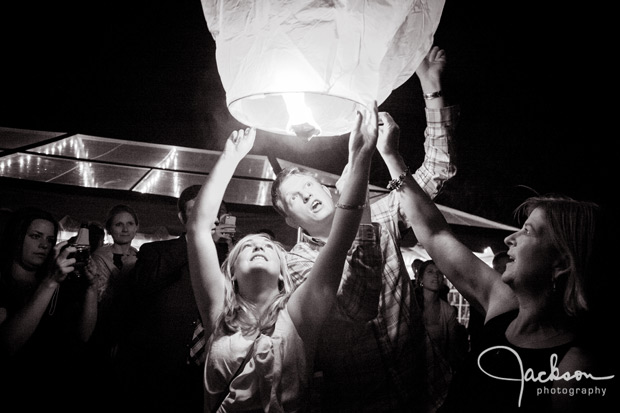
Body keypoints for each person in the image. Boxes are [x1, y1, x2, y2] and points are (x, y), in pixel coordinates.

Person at [270, 45, 457, 411]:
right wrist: (360, 179)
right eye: (295, 197)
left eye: (309, 184)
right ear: (291, 220)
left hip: (428, 388)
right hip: (364, 402)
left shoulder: (384, 212)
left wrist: (431, 91)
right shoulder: (295, 264)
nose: (308, 193)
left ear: (325, 186)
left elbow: (437, 170)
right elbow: (357, 304)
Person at [187, 103, 380, 411]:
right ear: (232, 273)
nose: (258, 246)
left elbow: (339, 241)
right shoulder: (217, 312)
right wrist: (230, 158)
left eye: (266, 245)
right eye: (247, 247)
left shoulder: (300, 316)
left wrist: (361, 158)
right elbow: (197, 228)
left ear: (283, 271)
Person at [401, 173, 615, 411]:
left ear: (561, 263)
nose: (509, 238)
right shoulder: (504, 305)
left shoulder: (574, 371)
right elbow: (435, 235)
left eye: (527, 231)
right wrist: (391, 155)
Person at [115, 186, 233, 413]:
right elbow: (141, 287)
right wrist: (195, 237)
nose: (207, 216)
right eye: (197, 210)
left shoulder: (232, 259)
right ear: (181, 217)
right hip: (160, 373)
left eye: (214, 211)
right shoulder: (155, 251)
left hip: (212, 373)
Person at [0, 207, 98, 412]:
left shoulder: (59, 281)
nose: (44, 244)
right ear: (16, 237)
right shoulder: (5, 284)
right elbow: (6, 346)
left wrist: (91, 287)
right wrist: (50, 281)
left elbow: (84, 335)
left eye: (50, 239)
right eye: (35, 236)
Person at [87, 204, 140, 408]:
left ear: (136, 228)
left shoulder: (141, 255)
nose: (125, 229)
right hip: (103, 328)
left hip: (130, 331)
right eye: (119, 224)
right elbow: (100, 298)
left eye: (129, 224)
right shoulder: (99, 257)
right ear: (109, 229)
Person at [414, 259, 467, 403]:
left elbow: (451, 347)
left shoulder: (448, 311)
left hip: (435, 373)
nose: (435, 276)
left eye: (439, 273)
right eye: (430, 272)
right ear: (420, 279)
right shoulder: (410, 304)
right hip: (410, 370)